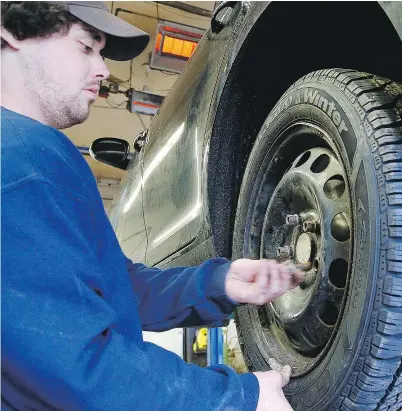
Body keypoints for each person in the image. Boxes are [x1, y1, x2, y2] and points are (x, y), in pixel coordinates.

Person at [1, 2, 298, 410]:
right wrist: (237, 399)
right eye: (86, 47)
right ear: (12, 35)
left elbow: (119, 290)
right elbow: (73, 368)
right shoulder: (17, 162)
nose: (103, 70)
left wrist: (219, 284)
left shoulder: (32, 156)